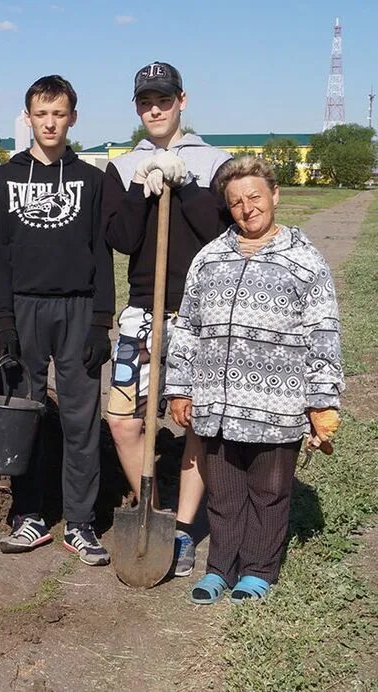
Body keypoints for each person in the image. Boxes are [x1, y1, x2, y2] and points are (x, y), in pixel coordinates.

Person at [164, 156, 344, 603]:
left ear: (275, 195)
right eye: (237, 201)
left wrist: (321, 401)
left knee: (268, 492)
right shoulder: (209, 258)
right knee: (223, 495)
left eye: (255, 197)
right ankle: (220, 568)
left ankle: (258, 569)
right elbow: (187, 326)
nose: (248, 208)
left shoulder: (305, 260)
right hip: (217, 405)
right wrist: (180, 386)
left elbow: (324, 332)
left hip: (276, 406)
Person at [102, 61, 232, 577]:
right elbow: (122, 239)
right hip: (141, 311)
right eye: (144, 101)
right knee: (122, 420)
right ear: (136, 106)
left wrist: (186, 185)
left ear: (183, 99)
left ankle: (180, 530)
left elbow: (215, 232)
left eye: (163, 99)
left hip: (199, 313)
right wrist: (141, 186)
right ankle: (149, 509)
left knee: (192, 418)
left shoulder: (213, 161)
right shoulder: (121, 166)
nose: (154, 108)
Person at [0, 75, 114, 566]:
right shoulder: (3, 180)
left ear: (72, 118)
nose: (50, 123)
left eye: (59, 114)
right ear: (28, 118)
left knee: (81, 418)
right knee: (27, 416)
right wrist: (4, 322)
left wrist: (101, 320)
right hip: (24, 308)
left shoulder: (91, 179)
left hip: (78, 308)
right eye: (42, 114)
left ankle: (80, 523)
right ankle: (31, 514)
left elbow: (101, 255)